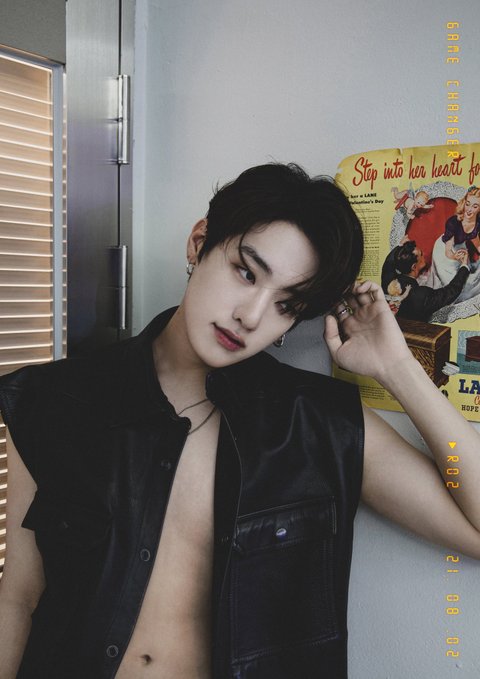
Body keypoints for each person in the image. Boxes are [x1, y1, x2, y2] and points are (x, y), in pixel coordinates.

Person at [0, 163, 479, 679]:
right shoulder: (51, 399)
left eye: (286, 304)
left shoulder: (318, 425)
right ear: (199, 244)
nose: (251, 315)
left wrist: (398, 368)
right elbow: (19, 598)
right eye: (246, 273)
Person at [381, 238, 470, 321]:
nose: (424, 254)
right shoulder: (422, 295)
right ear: (414, 267)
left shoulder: (388, 281)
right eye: (421, 255)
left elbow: (388, 263)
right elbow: (451, 291)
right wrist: (464, 266)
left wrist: (400, 246)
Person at [429, 186, 480, 304]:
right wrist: (456, 257)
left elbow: (475, 240)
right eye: (467, 204)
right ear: (464, 202)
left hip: (460, 248)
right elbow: (448, 251)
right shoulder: (453, 222)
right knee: (454, 287)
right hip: (445, 251)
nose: (469, 210)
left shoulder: (478, 222)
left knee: (469, 279)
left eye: (475, 206)